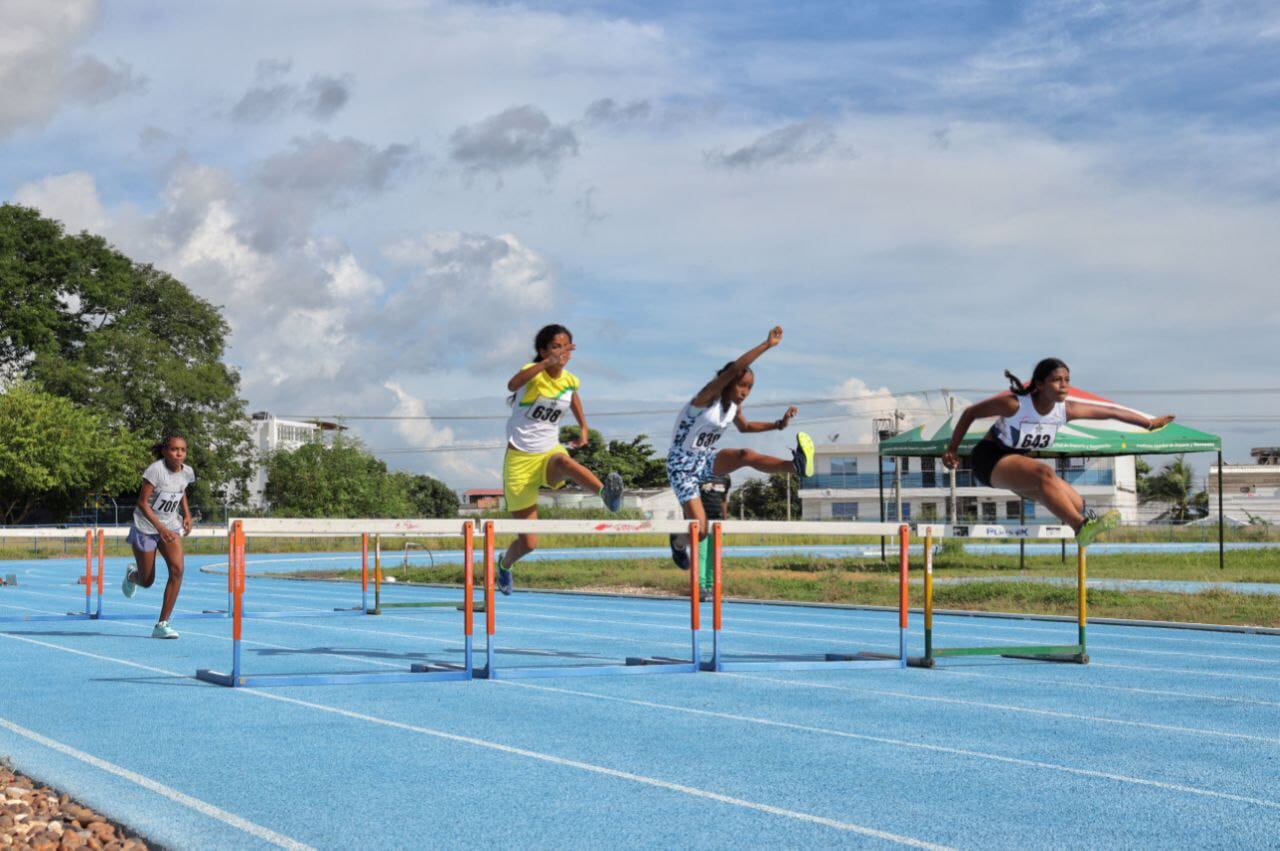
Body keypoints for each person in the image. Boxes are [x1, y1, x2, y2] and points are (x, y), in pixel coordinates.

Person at [942, 358, 1175, 547]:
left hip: (1017, 463)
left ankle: (1087, 519)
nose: (1064, 385)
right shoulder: (1014, 405)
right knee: (1044, 473)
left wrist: (1149, 423)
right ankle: (1081, 528)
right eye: (1056, 380)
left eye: (1067, 380)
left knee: (1076, 501)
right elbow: (970, 413)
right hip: (989, 459)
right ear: (1040, 384)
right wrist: (952, 449)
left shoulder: (1065, 411)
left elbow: (1111, 412)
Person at [667, 326, 813, 590]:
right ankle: (677, 542)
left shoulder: (733, 406)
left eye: (750, 388)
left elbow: (745, 428)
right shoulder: (706, 397)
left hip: (704, 459)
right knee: (700, 531)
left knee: (745, 454)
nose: (745, 391)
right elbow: (735, 368)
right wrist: (767, 345)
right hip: (681, 466)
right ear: (728, 381)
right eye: (742, 385)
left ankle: (796, 466)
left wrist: (778, 424)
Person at [497, 324, 623, 595]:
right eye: (556, 346)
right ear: (543, 351)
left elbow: (573, 397)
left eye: (567, 346)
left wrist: (584, 427)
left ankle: (606, 494)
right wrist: (546, 363)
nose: (562, 352)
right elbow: (511, 384)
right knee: (529, 542)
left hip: (548, 454)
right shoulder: (532, 376)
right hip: (520, 460)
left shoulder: (569, 380)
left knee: (565, 462)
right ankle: (505, 564)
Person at [121, 434, 196, 638]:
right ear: (165, 451)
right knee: (147, 581)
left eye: (182, 449)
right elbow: (142, 503)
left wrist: (187, 515)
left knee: (178, 569)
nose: (179, 453)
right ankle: (132, 575)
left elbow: (181, 491)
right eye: (174, 449)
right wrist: (160, 528)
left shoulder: (187, 472)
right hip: (146, 527)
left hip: (170, 526)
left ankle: (162, 624)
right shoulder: (156, 470)